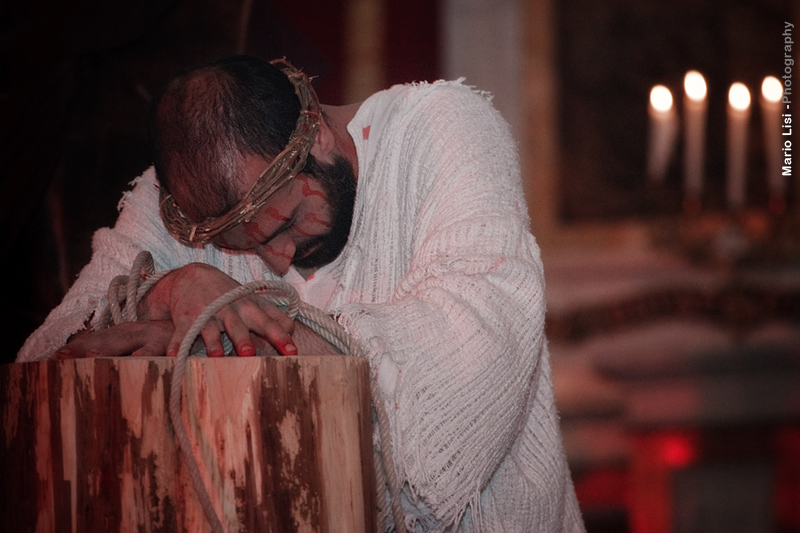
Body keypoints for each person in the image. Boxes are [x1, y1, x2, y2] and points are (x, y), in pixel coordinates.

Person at [17, 55, 584, 531]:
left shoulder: (442, 128)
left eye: (286, 223)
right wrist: (167, 291)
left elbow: (475, 340)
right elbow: (47, 358)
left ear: (315, 132)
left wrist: (244, 336)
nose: (277, 260)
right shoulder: (177, 198)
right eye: (240, 248)